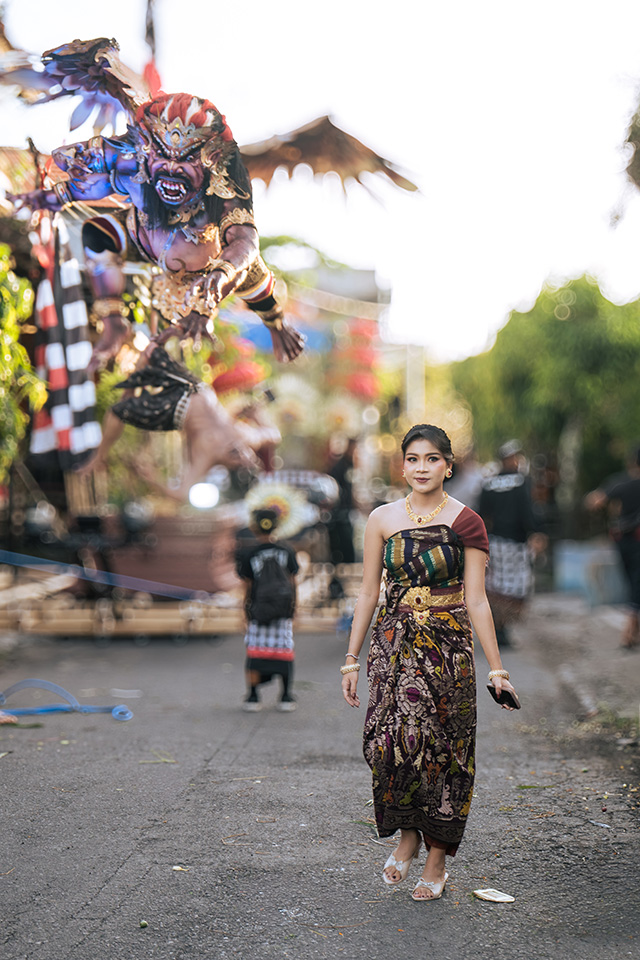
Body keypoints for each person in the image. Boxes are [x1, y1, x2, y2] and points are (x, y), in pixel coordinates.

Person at [341, 423, 518, 902]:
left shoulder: (466, 523)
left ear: (448, 465)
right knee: (389, 746)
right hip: (394, 646)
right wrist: (351, 658)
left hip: (447, 649)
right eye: (413, 459)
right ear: (402, 466)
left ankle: (435, 858)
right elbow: (367, 591)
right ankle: (408, 835)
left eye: (432, 459)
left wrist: (497, 668)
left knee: (444, 752)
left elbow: (477, 601)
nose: (422, 468)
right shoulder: (381, 518)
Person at [78, 342, 280, 501]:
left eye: (238, 463)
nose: (242, 456)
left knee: (117, 412)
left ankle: (98, 458)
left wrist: (153, 480)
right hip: (195, 388)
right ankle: (131, 389)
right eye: (249, 457)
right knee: (151, 350)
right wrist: (256, 414)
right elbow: (274, 436)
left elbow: (181, 494)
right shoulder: (251, 438)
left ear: (229, 468)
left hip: (175, 410)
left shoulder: (206, 458)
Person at [477, 440, 547, 647]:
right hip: (515, 544)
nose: (517, 460)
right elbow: (529, 510)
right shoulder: (522, 481)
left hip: (495, 542)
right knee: (516, 586)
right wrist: (538, 531)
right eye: (514, 457)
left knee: (495, 585)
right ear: (507, 459)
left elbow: (481, 514)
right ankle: (501, 630)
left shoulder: (488, 483)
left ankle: (499, 628)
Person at [236, 508, 299, 712]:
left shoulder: (250, 554)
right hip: (282, 610)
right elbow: (293, 582)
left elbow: (247, 586)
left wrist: (244, 613)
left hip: (259, 611)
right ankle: (286, 696)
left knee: (255, 653)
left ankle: (253, 696)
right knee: (284, 651)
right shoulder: (286, 550)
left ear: (254, 527)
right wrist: (294, 610)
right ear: (277, 526)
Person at [585, 444, 640, 649]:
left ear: (632, 462)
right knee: (637, 584)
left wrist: (612, 507)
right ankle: (629, 633)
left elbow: (593, 501)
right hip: (635, 540)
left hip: (625, 541)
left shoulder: (621, 483)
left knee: (633, 582)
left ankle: (631, 633)